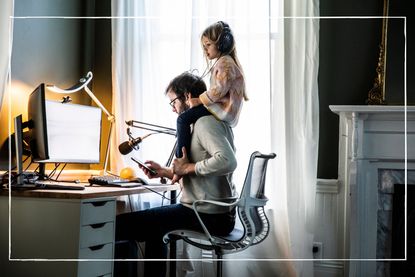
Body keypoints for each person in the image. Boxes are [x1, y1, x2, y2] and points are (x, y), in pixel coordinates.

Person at [115, 72, 238, 277]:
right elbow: (202, 166)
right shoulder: (206, 121)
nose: (172, 107)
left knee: (120, 226)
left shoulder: (205, 123)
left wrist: (187, 169)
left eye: (173, 101)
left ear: (186, 96)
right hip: (208, 212)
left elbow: (228, 161)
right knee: (155, 230)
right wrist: (166, 171)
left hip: (208, 215)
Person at [175, 21, 248, 163]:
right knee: (189, 119)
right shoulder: (225, 62)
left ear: (223, 44)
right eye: (204, 46)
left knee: (182, 119)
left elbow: (218, 90)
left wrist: (198, 100)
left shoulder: (225, 63)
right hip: (221, 110)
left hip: (221, 110)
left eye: (208, 45)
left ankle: (181, 160)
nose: (205, 49)